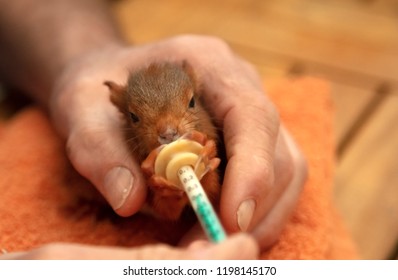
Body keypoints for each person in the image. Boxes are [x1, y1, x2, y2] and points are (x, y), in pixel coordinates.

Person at [0, 0, 307, 259]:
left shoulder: (208, 132)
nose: (169, 132)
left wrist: (207, 168)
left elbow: (212, 190)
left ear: (195, 92)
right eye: (137, 118)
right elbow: (166, 210)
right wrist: (166, 192)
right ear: (122, 109)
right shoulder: (132, 148)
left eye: (187, 107)